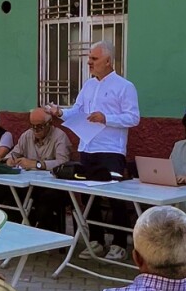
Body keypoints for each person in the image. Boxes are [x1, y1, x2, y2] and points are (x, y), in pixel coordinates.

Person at [45, 40, 140, 260]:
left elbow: (133, 117)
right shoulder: (88, 86)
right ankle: (96, 241)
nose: (89, 62)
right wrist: (60, 112)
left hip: (111, 150)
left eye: (94, 59)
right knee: (89, 197)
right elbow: (77, 111)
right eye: (89, 58)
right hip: (87, 147)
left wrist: (106, 118)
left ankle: (119, 243)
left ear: (108, 61)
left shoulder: (125, 86)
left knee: (114, 197)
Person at [3, 108, 72, 230]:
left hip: (53, 186)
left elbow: (63, 162)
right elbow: (13, 153)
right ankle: (18, 232)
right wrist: (10, 160)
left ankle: (46, 234)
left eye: (39, 126)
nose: (35, 130)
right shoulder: (27, 135)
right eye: (32, 126)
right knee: (9, 198)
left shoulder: (60, 136)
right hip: (30, 184)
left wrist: (37, 164)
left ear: (49, 124)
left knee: (44, 204)